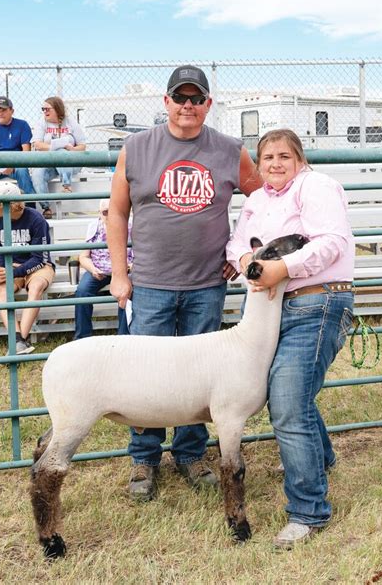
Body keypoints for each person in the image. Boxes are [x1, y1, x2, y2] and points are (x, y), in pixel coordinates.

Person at [108, 64, 263, 500]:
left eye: (197, 99)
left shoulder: (231, 151)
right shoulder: (136, 148)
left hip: (206, 284)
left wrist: (240, 251)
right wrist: (120, 274)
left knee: (199, 377)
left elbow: (264, 202)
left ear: (208, 105)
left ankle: (191, 453)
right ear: (166, 102)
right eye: (181, 98)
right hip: (151, 282)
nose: (188, 106)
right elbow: (117, 212)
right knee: (146, 374)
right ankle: (144, 458)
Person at [226, 128, 355, 549]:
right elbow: (236, 246)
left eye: (285, 156)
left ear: (299, 160)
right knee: (289, 393)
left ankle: (308, 512)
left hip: (314, 301)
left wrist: (281, 270)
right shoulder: (257, 201)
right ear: (258, 164)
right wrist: (247, 259)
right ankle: (321, 460)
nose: (276, 164)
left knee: (286, 401)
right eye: (268, 158)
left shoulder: (316, 187)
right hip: (270, 306)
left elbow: (332, 242)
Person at [0, 181, 55, 355]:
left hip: (37, 266)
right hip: (13, 266)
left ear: (9, 205)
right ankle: (19, 342)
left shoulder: (36, 219)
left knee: (37, 286)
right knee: (0, 287)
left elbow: (41, 258)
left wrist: (11, 271)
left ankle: (17, 343)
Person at [74, 198, 131, 339]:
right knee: (82, 292)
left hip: (124, 269)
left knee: (127, 291)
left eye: (113, 212)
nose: (109, 215)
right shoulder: (94, 227)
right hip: (98, 268)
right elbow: (84, 256)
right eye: (105, 212)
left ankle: (123, 336)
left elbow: (139, 255)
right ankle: (83, 336)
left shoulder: (129, 227)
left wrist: (128, 268)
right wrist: (93, 269)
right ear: (100, 213)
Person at [31, 96, 86, 219]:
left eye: (47, 109)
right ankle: (46, 207)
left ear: (57, 109)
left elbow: (82, 146)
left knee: (62, 151)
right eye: (43, 109)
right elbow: (38, 144)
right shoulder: (42, 122)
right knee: (37, 174)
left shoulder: (70, 122)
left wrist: (72, 149)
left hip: (70, 163)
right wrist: (53, 147)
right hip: (49, 161)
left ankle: (66, 185)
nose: (44, 112)